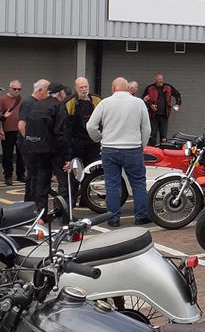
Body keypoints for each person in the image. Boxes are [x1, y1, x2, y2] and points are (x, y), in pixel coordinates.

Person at [87, 77, 151, 227]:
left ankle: (113, 218)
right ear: (128, 89)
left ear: (113, 88)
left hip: (110, 149)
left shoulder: (105, 103)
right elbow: (146, 128)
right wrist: (142, 145)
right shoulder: (138, 103)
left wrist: (99, 138)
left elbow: (91, 126)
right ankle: (141, 216)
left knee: (112, 184)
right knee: (138, 183)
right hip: (132, 148)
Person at [22, 83, 69, 215]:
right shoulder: (58, 106)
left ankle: (41, 212)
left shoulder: (36, 105)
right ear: (60, 93)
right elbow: (60, 132)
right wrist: (67, 157)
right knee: (63, 182)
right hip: (55, 150)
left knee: (41, 180)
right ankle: (61, 213)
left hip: (37, 149)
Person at [63, 77, 102, 206]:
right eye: (81, 87)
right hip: (76, 143)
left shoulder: (97, 100)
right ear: (76, 88)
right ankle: (72, 199)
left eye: (86, 86)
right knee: (76, 172)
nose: (84, 89)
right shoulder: (70, 102)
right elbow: (65, 125)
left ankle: (86, 199)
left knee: (91, 172)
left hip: (93, 142)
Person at [17, 79, 49, 201]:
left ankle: (29, 202)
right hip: (28, 145)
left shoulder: (34, 102)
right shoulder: (29, 103)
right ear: (40, 90)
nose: (48, 94)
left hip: (29, 143)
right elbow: (21, 125)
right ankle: (32, 201)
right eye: (47, 91)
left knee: (32, 174)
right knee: (35, 174)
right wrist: (31, 141)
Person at [142, 73, 182, 146]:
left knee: (163, 136)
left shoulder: (168, 87)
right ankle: (152, 150)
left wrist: (177, 103)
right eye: (159, 80)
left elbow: (177, 94)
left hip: (164, 115)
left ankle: (163, 150)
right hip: (153, 116)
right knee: (153, 134)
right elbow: (143, 99)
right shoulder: (150, 88)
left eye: (162, 79)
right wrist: (150, 105)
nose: (161, 81)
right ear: (155, 80)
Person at [0, 80, 26, 185]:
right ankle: (8, 175)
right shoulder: (2, 99)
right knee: (8, 154)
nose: (17, 91)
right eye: (14, 89)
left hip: (20, 130)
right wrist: (1, 130)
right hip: (7, 131)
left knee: (21, 154)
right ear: (10, 88)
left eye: (19, 89)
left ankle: (21, 174)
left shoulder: (21, 100)